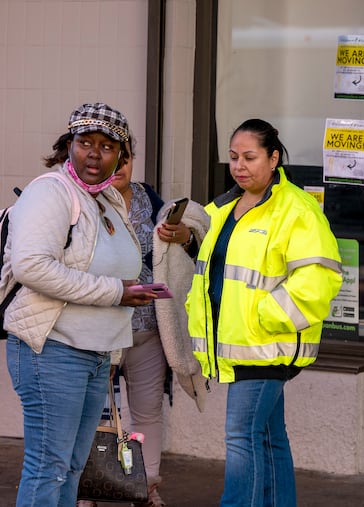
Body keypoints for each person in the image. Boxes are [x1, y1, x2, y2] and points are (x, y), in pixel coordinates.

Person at [4, 102, 157, 506]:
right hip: (52, 349)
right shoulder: (51, 192)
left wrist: (134, 289)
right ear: (67, 145)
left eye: (107, 147)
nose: (94, 153)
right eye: (85, 142)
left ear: (122, 157)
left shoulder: (107, 199)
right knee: (49, 465)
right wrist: (116, 292)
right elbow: (31, 266)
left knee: (73, 466)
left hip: (95, 353)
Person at [185, 119, 343, 507]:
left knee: (241, 437)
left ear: (274, 159)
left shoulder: (297, 209)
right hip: (236, 345)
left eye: (250, 157)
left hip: (264, 346)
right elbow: (207, 260)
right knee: (270, 438)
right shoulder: (223, 207)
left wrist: (266, 317)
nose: (239, 166)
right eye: (234, 157)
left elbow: (319, 279)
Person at [76, 136, 209, 507]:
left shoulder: (153, 203)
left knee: (147, 412)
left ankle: (146, 487)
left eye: (125, 158)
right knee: (93, 413)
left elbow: (186, 248)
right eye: (111, 157)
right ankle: (87, 489)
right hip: (99, 331)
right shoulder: (82, 203)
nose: (118, 166)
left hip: (148, 330)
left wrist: (183, 237)